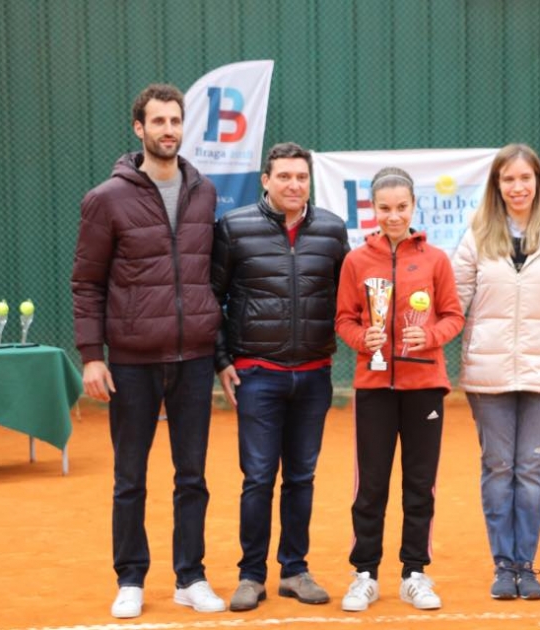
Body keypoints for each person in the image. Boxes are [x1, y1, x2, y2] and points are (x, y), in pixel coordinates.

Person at [71, 83, 225, 619]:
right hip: (132, 361)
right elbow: (87, 282)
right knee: (130, 477)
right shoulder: (105, 199)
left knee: (193, 476)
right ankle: (131, 578)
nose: (168, 130)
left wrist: (221, 356)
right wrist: (92, 354)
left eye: (175, 121)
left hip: (195, 359)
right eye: (157, 121)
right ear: (138, 128)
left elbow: (212, 279)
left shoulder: (204, 192)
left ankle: (191, 577)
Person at [451, 144, 540, 600]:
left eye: (525, 179)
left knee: (531, 467)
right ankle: (502, 566)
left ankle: (526, 566)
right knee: (498, 467)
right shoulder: (476, 233)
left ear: (539, 182)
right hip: (488, 375)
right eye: (508, 179)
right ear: (497, 185)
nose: (517, 187)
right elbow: (451, 301)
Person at [211, 142, 350, 612]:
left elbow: (348, 297)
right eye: (284, 176)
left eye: (302, 177)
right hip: (258, 375)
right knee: (258, 477)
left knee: (302, 477)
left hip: (314, 376)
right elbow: (213, 296)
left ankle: (294, 570)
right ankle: (251, 576)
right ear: (265, 181)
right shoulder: (234, 228)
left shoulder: (332, 230)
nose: (294, 185)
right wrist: (222, 360)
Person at [334, 167, 465, 612]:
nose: (393, 215)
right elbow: (344, 320)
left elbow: (453, 316)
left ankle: (415, 573)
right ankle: (365, 574)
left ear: (414, 206)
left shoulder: (435, 259)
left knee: (419, 484)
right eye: (385, 208)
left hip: (425, 385)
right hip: (373, 386)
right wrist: (360, 339)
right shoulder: (356, 261)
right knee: (370, 485)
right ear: (373, 208)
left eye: (402, 207)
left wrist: (428, 337)